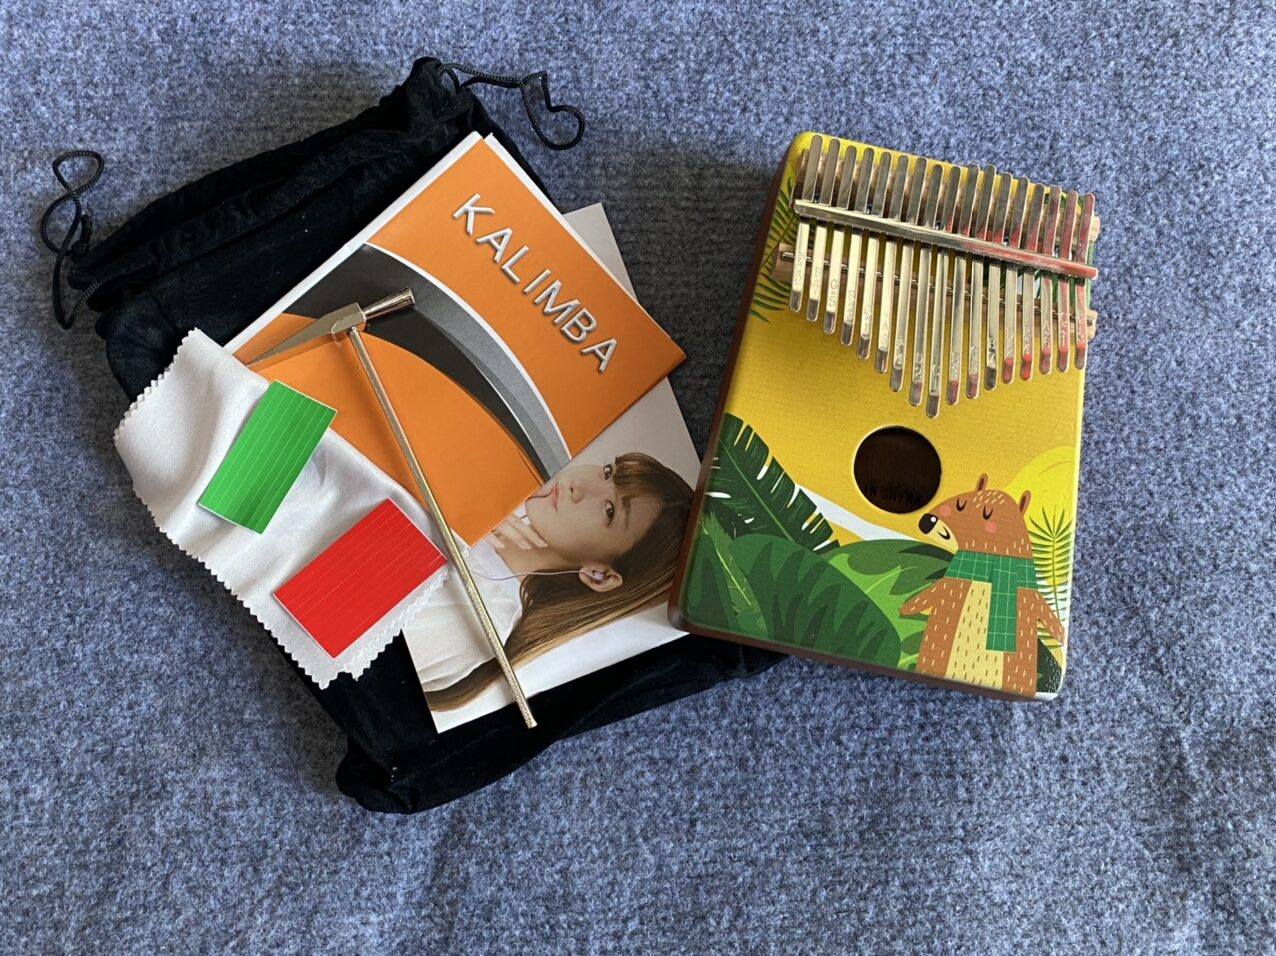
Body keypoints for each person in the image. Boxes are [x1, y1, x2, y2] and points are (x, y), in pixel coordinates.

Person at [404, 452, 692, 711]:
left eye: (609, 510)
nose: (578, 485)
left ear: (600, 575)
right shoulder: (476, 497)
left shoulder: (481, 619)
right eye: (608, 472)